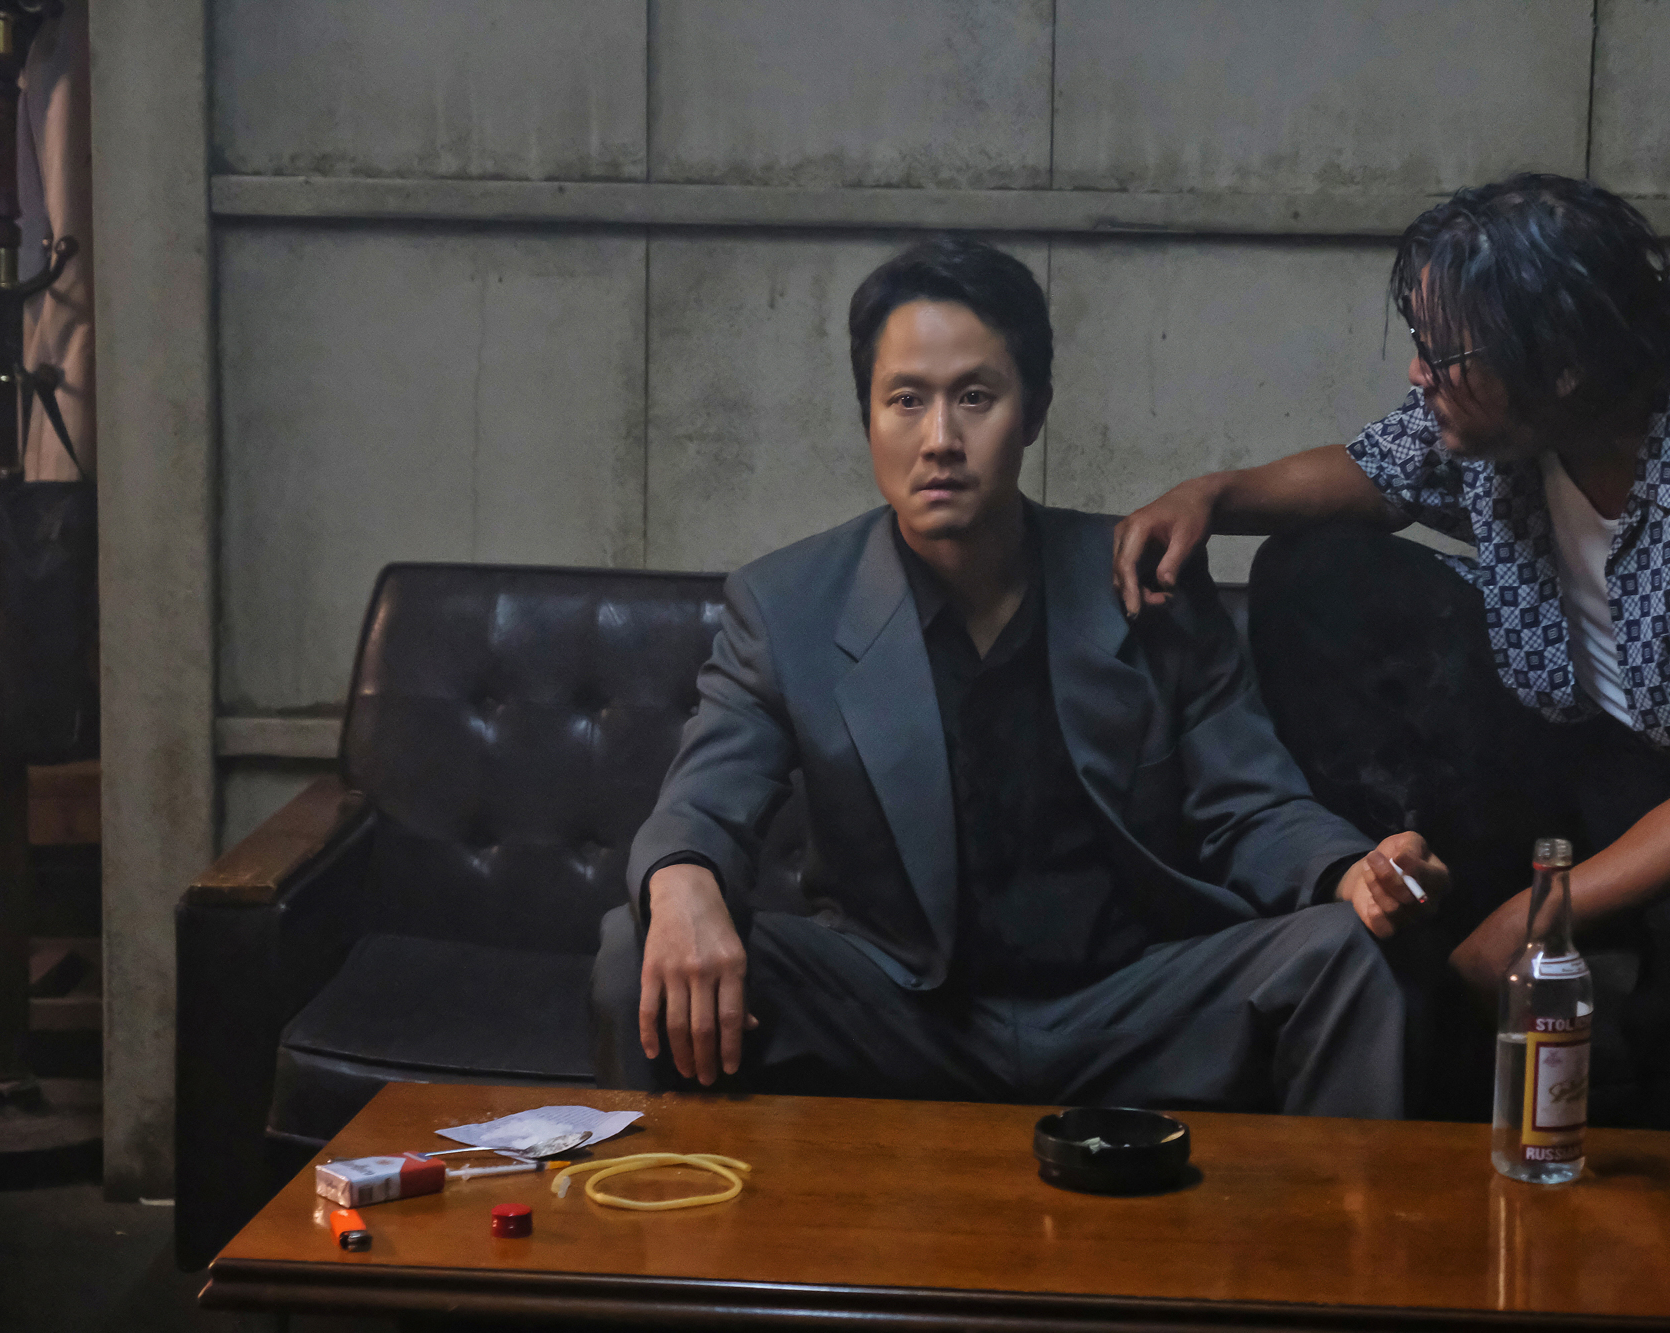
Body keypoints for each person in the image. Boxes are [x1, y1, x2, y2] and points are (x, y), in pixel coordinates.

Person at [1110, 174, 1670, 1210]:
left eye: (1443, 356)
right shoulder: (1522, 390)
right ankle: (1394, 941)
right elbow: (1373, 474)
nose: (1419, 373)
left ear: (1564, 369)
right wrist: (1211, 494)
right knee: (1315, 568)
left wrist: (1535, 915)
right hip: (1573, 726)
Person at [592, 235, 1448, 1115]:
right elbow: (706, 799)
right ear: (867, 418)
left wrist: (1351, 869)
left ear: (1033, 410)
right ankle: (658, 1204)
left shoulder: (1142, 577)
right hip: (899, 1008)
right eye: (906, 400)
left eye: (975, 397)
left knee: (1348, 954)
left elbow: (1250, 806)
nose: (940, 440)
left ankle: (1344, 1215)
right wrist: (682, 876)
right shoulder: (787, 604)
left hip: (1128, 1001)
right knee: (636, 948)